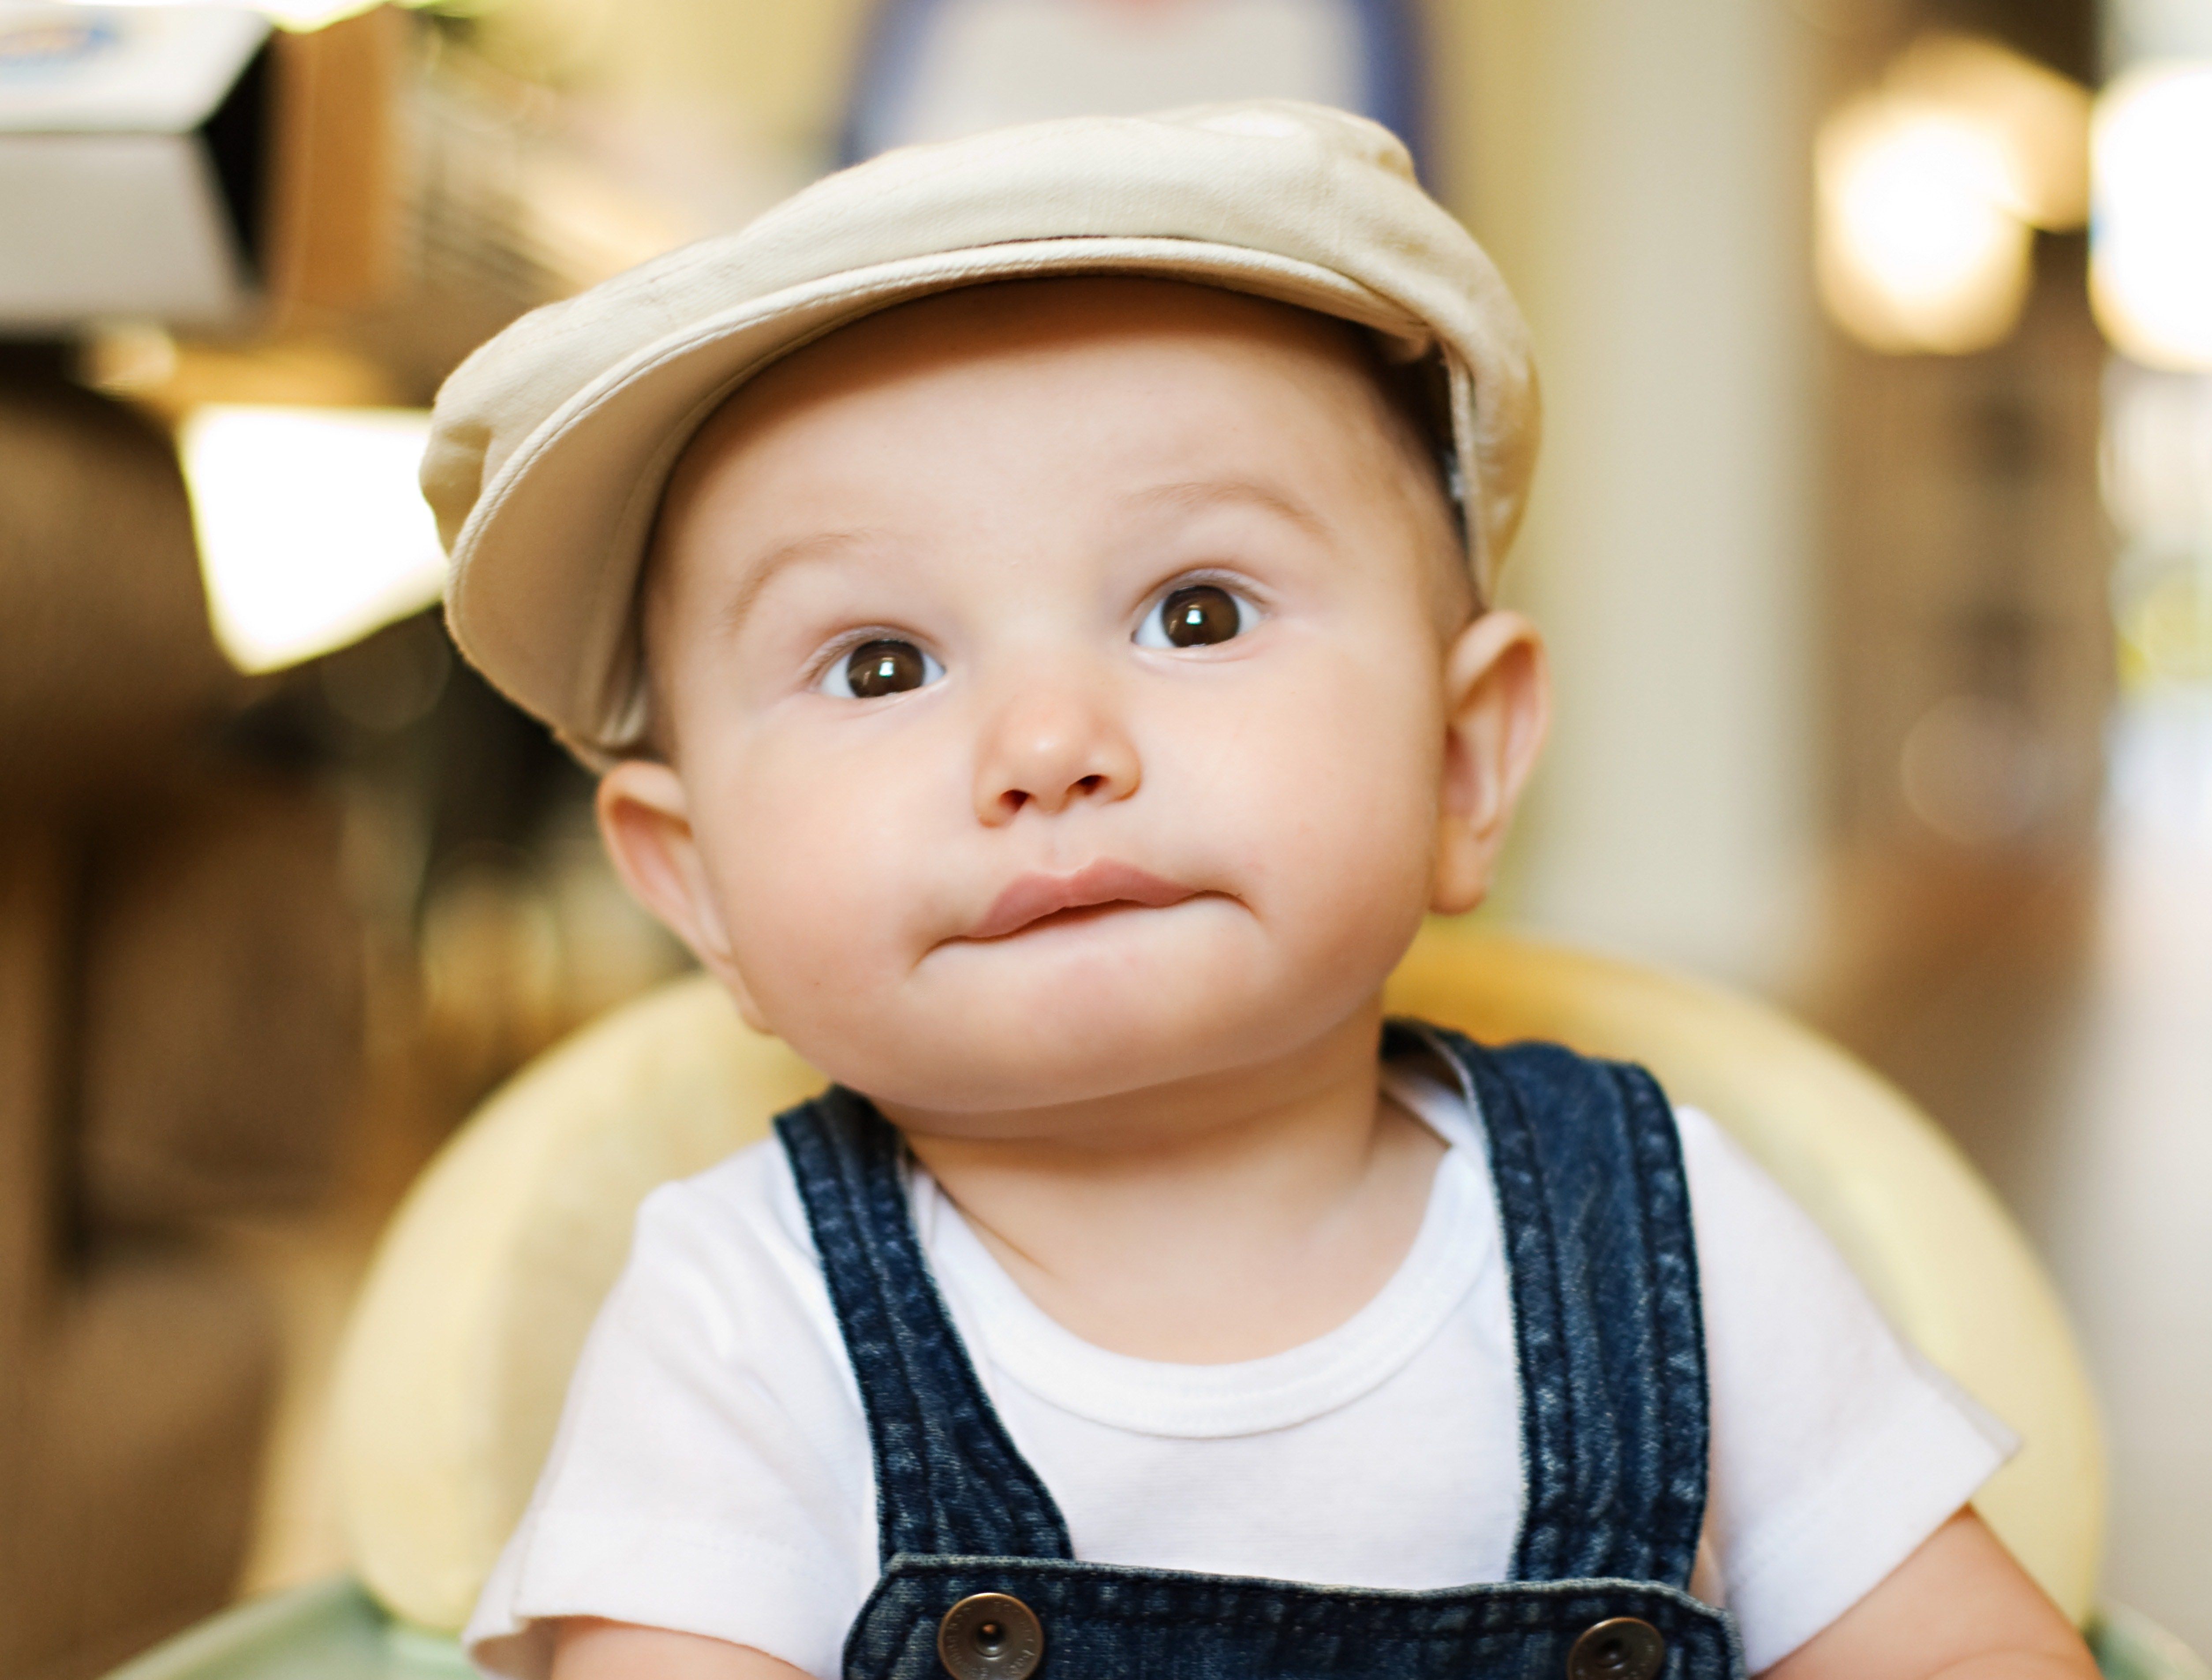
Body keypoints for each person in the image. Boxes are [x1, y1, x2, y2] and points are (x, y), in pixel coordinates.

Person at [422, 102, 2098, 1680]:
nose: (1050, 742)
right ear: (695, 887)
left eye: (1197, 614)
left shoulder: (1664, 1236)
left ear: (1464, 762)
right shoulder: (740, 1310)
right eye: (878, 662)